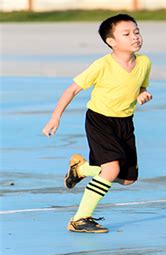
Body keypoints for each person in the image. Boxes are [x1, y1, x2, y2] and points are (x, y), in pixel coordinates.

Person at [42, 14, 152, 233]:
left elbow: (139, 86)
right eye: (127, 34)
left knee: (128, 179)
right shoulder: (102, 65)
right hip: (100, 121)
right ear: (111, 41)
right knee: (111, 169)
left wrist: (142, 93)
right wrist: (55, 117)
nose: (135, 37)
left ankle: (81, 169)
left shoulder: (145, 62)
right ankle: (80, 219)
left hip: (125, 122)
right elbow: (72, 89)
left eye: (137, 32)